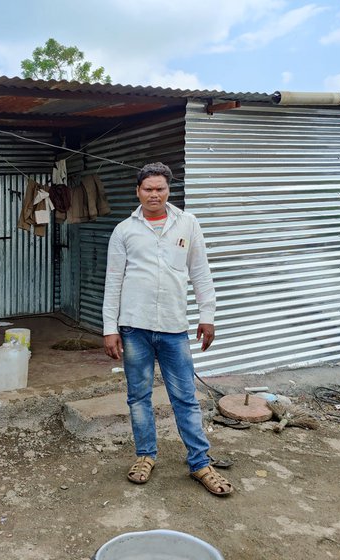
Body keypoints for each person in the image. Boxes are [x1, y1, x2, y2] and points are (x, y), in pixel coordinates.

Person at [102, 162, 233, 496]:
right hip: (135, 328)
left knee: (185, 397)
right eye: (148, 189)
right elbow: (113, 282)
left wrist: (208, 316)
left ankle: (200, 463)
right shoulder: (124, 230)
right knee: (138, 397)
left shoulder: (187, 225)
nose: (154, 195)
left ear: (168, 190)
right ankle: (146, 456)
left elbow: (201, 273)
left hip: (174, 327)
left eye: (160, 188)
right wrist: (109, 328)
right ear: (138, 191)